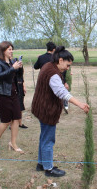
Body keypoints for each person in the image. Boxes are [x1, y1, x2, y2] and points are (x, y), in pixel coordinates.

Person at [31, 46, 90, 177]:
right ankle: (49, 168)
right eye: (68, 65)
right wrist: (80, 104)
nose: (68, 69)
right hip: (47, 110)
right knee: (48, 139)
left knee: (44, 136)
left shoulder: (48, 66)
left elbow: (56, 86)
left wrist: (62, 83)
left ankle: (41, 163)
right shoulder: (53, 73)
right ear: (61, 60)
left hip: (41, 107)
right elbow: (61, 93)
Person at [0, 41, 24, 155]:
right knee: (5, 121)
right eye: (9, 49)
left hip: (14, 93)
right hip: (3, 94)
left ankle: (13, 143)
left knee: (16, 119)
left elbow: (18, 75)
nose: (11, 51)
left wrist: (19, 67)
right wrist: (12, 68)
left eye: (12, 49)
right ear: (3, 51)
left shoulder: (12, 61)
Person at [34, 42, 70, 113]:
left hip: (44, 81)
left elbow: (35, 67)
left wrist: (39, 59)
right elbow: (63, 72)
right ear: (54, 49)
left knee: (46, 96)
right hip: (56, 79)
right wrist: (64, 82)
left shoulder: (41, 57)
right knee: (57, 95)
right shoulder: (56, 59)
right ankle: (63, 105)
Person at [16, 60, 28, 129]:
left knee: (20, 107)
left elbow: (22, 80)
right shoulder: (13, 72)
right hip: (15, 90)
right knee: (15, 107)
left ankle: (20, 123)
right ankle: (12, 124)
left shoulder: (20, 73)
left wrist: (24, 87)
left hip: (20, 89)